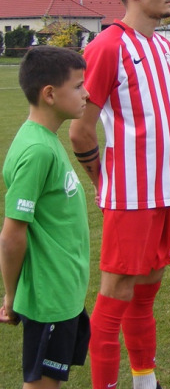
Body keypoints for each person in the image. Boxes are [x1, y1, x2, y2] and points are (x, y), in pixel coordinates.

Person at [70, 0, 170, 389]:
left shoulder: (160, 46)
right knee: (116, 295)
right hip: (132, 194)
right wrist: (105, 181)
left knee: (147, 292)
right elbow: (81, 130)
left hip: (166, 190)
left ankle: (145, 380)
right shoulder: (108, 45)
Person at [1, 47, 90, 389]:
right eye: (78, 86)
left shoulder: (45, 140)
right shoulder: (36, 150)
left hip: (63, 288)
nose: (87, 93)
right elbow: (11, 234)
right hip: (49, 295)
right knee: (42, 384)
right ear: (50, 94)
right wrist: (11, 298)